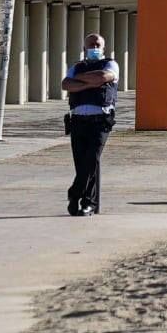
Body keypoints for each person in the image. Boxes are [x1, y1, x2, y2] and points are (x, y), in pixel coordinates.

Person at [61, 31, 119, 216]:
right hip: (78, 121)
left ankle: (77, 195)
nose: (94, 48)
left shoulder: (110, 64)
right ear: (84, 48)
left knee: (91, 160)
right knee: (82, 163)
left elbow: (103, 77)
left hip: (99, 121)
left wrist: (82, 80)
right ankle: (86, 202)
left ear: (103, 47)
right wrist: (89, 84)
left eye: (97, 45)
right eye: (90, 45)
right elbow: (66, 84)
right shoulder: (77, 66)